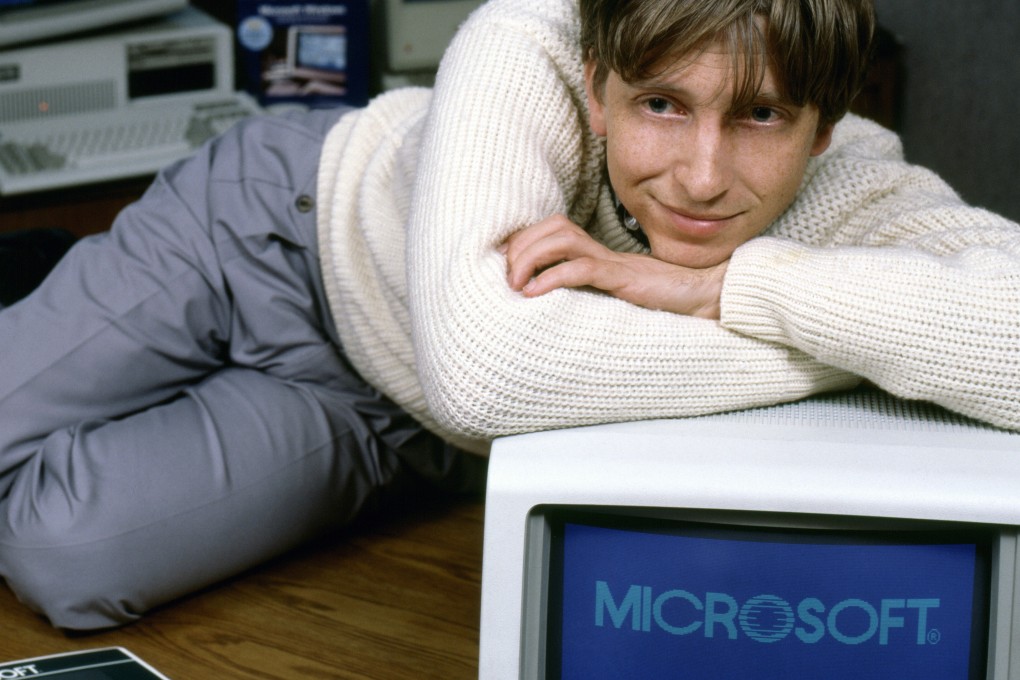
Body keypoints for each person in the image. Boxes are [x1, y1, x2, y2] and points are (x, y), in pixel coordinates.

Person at [0, 0, 1017, 630]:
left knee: (69, 560)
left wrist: (739, 289)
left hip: (394, 413)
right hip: (272, 234)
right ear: (596, 87)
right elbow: (491, 371)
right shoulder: (525, 38)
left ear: (822, 127)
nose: (704, 177)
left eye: (759, 117)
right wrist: (845, 343)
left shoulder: (853, 183)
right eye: (662, 104)